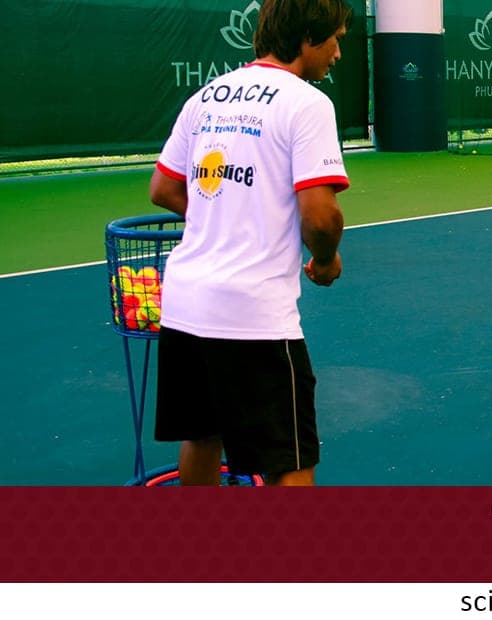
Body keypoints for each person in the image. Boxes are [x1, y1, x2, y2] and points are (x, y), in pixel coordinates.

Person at [147, 0, 353, 486]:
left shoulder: (207, 95)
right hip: (253, 316)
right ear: (307, 37)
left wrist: (226, 214)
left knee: (201, 436)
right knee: (290, 460)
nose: (339, 52)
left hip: (184, 306)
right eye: (335, 38)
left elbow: (163, 188)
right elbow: (321, 217)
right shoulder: (307, 103)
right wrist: (325, 261)